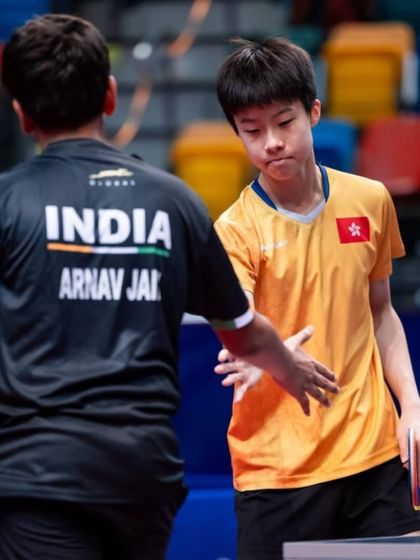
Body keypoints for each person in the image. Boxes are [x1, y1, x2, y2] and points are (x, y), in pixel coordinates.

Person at [0, 15, 339, 560]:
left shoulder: (8, 203)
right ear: (110, 96)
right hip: (142, 476)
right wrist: (289, 367)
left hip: (38, 475)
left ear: (21, 112)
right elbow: (242, 332)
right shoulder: (172, 201)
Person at [214, 36, 420, 560]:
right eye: (252, 131)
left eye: (284, 123)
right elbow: (240, 328)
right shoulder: (234, 231)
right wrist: (265, 355)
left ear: (314, 112)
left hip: (373, 456)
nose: (271, 143)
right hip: (277, 471)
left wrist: (412, 405)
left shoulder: (369, 200)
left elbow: (381, 312)